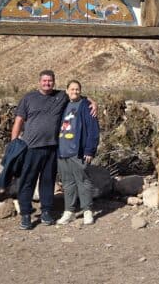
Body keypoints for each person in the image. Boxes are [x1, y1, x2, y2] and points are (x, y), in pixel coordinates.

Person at [10, 70, 95, 230]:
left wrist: (92, 102)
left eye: (50, 81)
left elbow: (76, 94)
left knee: (48, 182)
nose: (47, 83)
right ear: (39, 82)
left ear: (54, 82)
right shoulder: (28, 98)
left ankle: (46, 211)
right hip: (31, 147)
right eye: (44, 81)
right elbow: (19, 121)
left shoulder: (60, 96)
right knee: (27, 181)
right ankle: (26, 214)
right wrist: (14, 144)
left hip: (52, 148)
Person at [56, 80, 100, 225]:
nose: (74, 92)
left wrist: (90, 149)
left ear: (81, 91)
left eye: (77, 89)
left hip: (78, 151)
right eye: (72, 89)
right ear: (67, 90)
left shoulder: (86, 106)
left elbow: (93, 129)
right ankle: (69, 211)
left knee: (83, 181)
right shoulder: (63, 105)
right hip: (62, 151)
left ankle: (87, 210)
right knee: (67, 183)